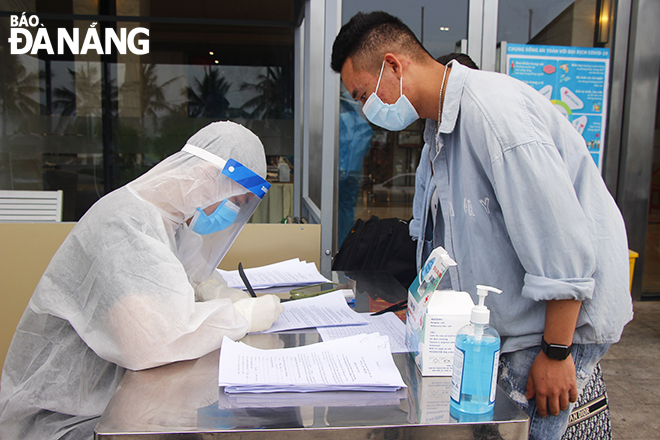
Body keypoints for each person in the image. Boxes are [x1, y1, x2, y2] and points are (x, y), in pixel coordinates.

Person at [331, 11, 633, 440]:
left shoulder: (494, 114)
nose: (366, 111)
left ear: (394, 66)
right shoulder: (439, 131)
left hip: (547, 334)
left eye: (364, 96)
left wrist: (558, 350)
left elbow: (561, 244)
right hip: (500, 334)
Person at [0, 121, 285, 439]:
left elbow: (182, 273)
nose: (232, 213)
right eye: (236, 200)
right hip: (62, 420)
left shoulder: (164, 219)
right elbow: (150, 342)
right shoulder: (123, 223)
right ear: (207, 177)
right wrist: (241, 317)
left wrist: (212, 288)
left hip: (103, 402)